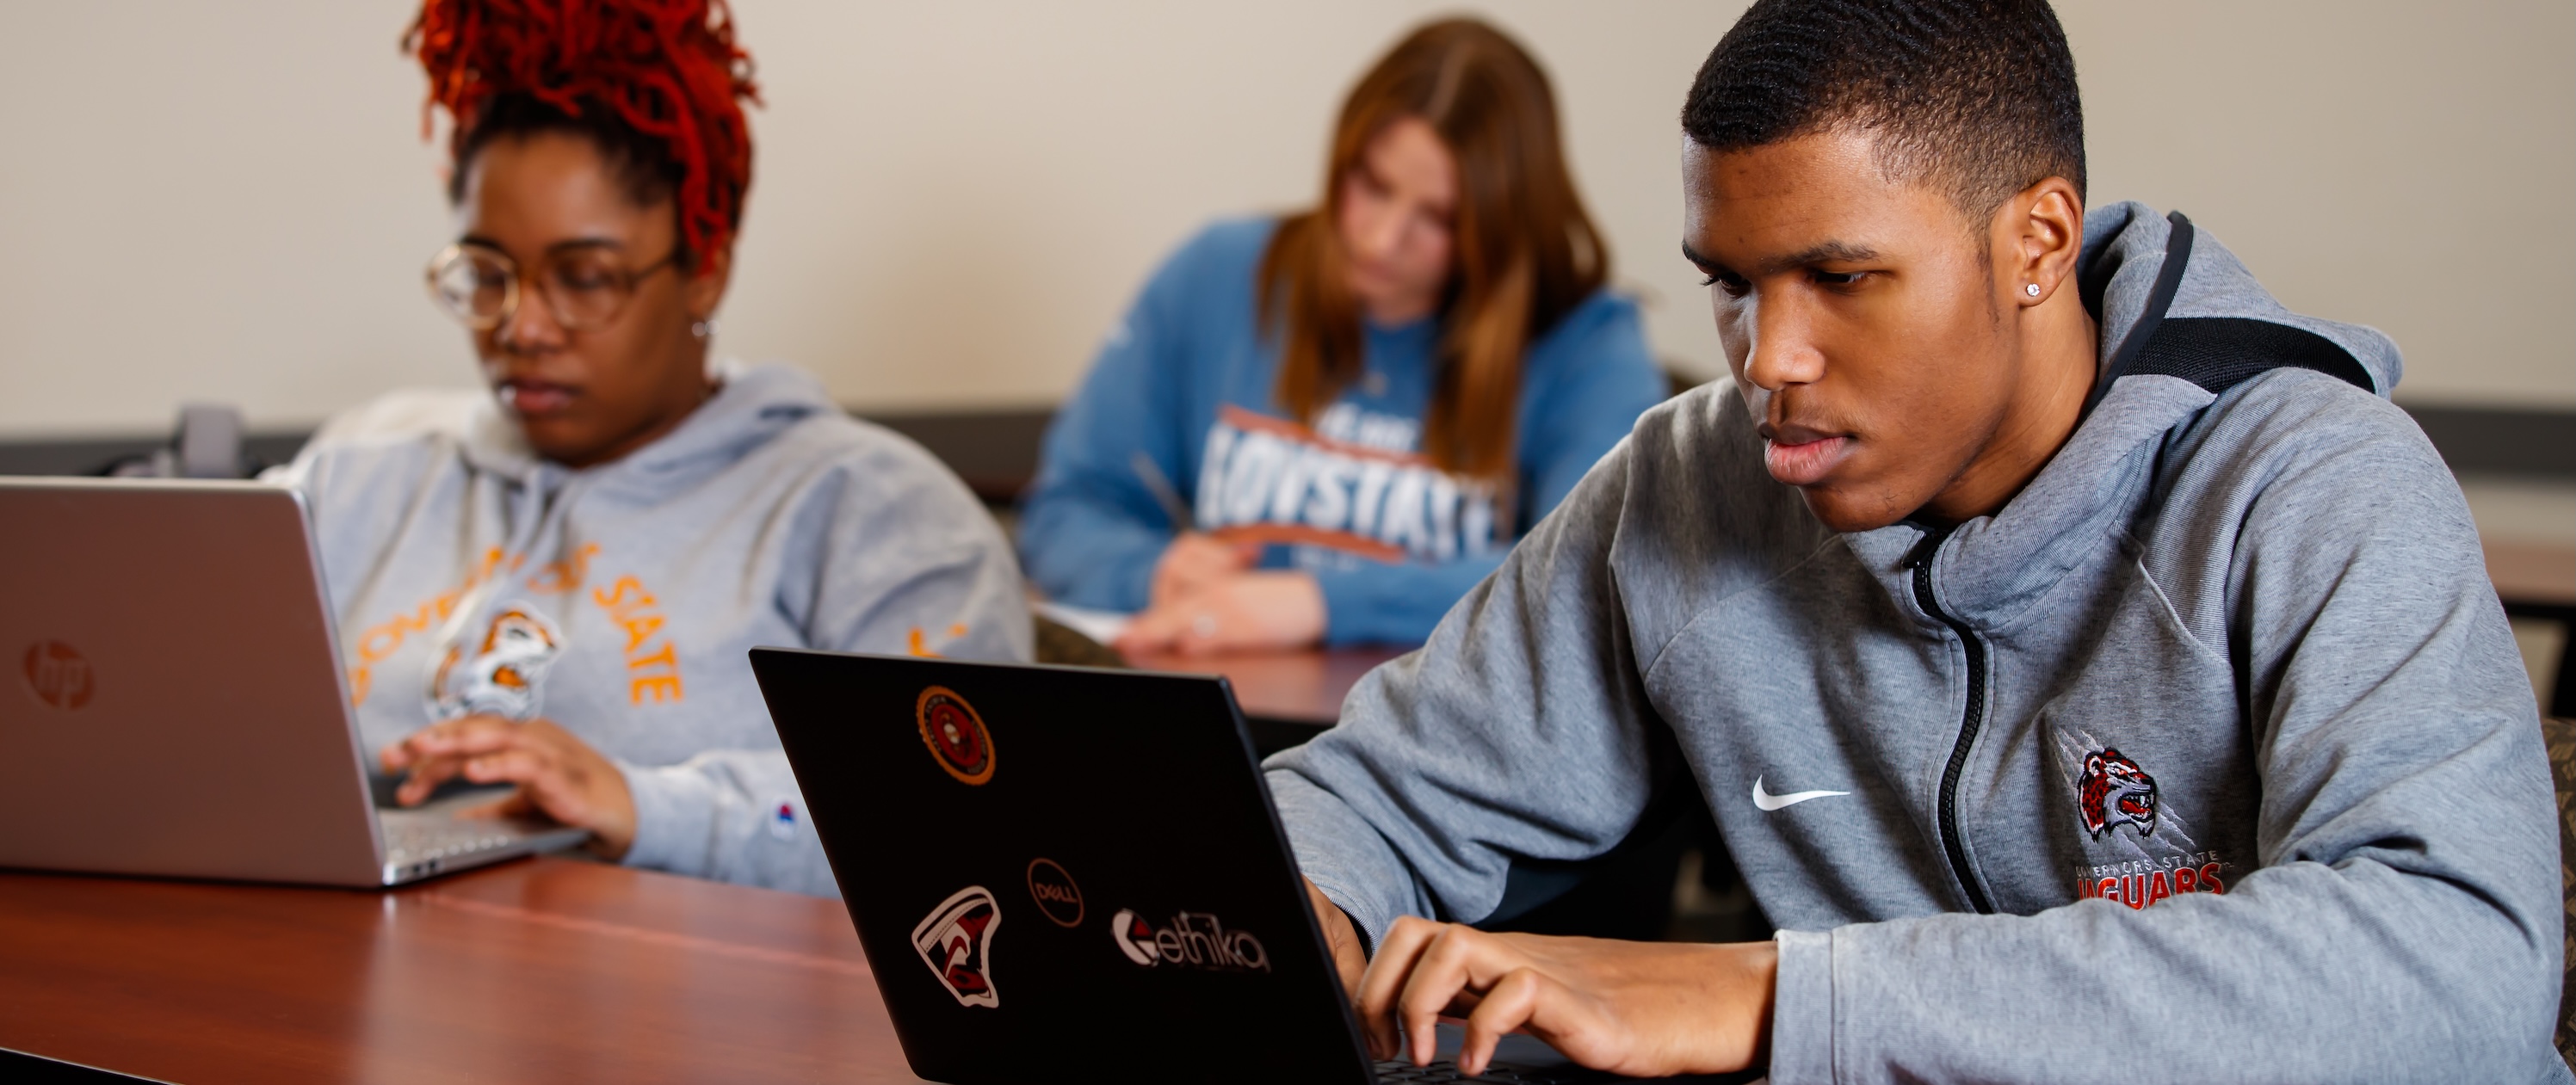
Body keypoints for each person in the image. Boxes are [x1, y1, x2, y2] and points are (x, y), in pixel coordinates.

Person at [1266, 0, 2565, 1079]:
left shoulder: (2313, 484)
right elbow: (1366, 800)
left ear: (2036, 243)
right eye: (1730, 282)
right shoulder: (1688, 485)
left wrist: (1778, 999)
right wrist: (1295, 909)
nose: (1767, 361)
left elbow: (2456, 969)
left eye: (1838, 278)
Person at [264, 0, 1029, 897]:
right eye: (488, 274)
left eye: (585, 278)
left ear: (706, 267)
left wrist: (644, 805)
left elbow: (953, 820)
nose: (523, 328)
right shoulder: (360, 471)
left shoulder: (871, 512)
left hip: (667, 975)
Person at [1017, 18, 1666, 655]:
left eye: (1438, 218)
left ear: (1501, 226)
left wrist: (1316, 604)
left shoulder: (1586, 341)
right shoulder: (1217, 274)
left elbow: (1586, 573)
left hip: (1441, 719)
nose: (1381, 240)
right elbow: (1066, 509)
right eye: (1373, 185)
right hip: (1225, 691)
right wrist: (1153, 572)